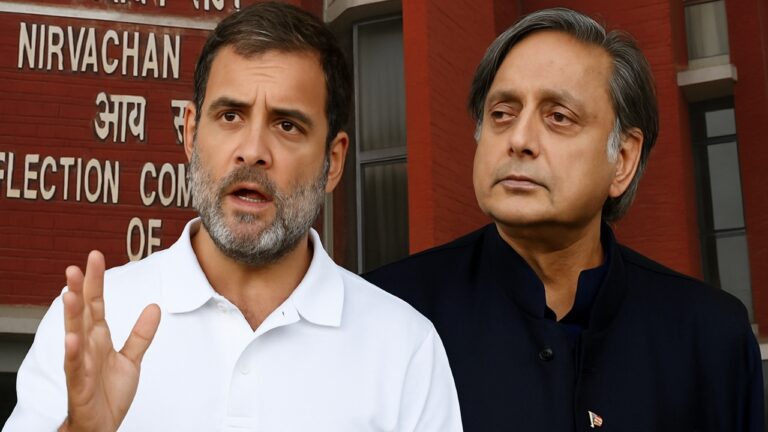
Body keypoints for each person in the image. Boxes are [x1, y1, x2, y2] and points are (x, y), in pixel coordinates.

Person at [5, 3, 462, 431]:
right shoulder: (91, 328)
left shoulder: (405, 347)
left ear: (334, 160)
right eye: (229, 116)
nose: (253, 151)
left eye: (287, 125)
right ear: (189, 134)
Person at [365, 7, 764, 432]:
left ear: (623, 160)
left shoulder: (710, 337)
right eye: (502, 113)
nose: (519, 140)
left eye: (558, 116)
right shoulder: (385, 314)